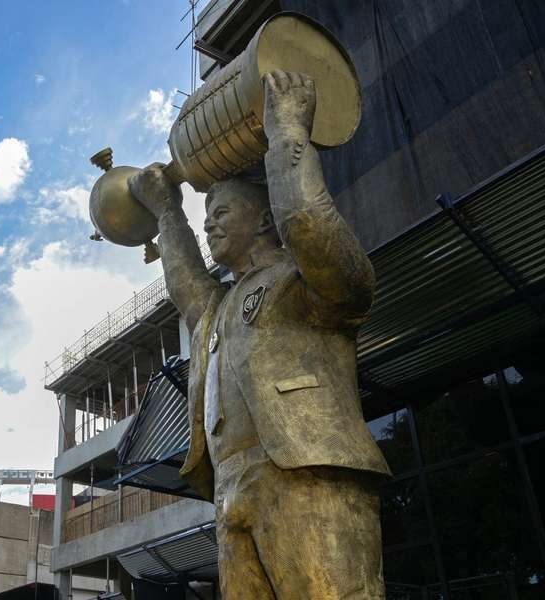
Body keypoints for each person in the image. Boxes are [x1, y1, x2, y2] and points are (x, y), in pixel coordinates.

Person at [129, 70, 391, 599]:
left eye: (222, 213)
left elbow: (310, 227)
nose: (210, 226)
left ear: (265, 221)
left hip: (305, 471)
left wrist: (287, 132)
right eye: (206, 218)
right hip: (231, 487)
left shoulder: (303, 283)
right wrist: (165, 210)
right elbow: (186, 285)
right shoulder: (218, 308)